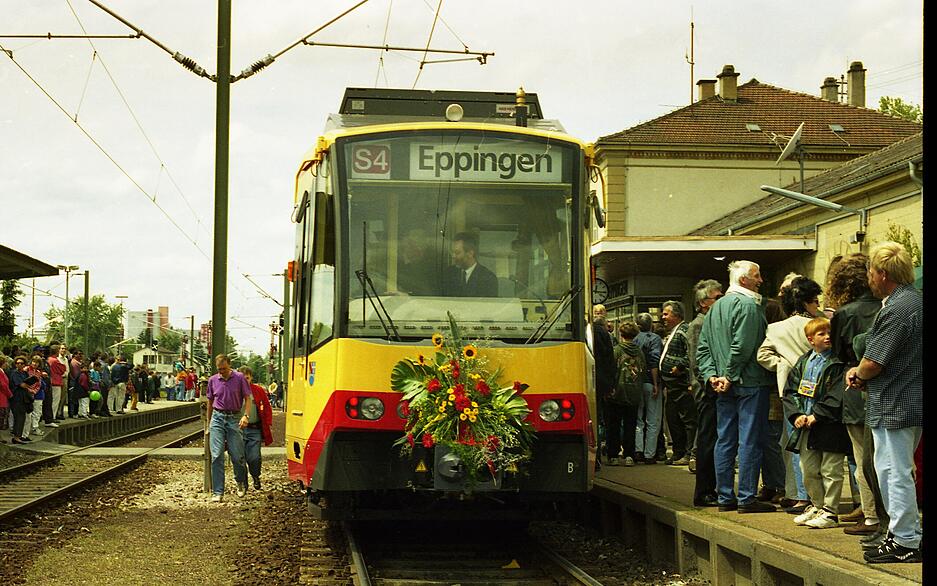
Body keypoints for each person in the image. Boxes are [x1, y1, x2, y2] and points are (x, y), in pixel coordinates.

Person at [845, 242, 922, 564]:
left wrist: (857, 373)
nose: (868, 278)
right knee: (896, 470)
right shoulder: (914, 301)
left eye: (870, 271)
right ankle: (901, 535)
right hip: (909, 398)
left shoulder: (897, 309)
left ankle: (905, 540)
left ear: (882, 273)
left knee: (893, 471)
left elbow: (874, 361)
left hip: (895, 402)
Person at [697, 260, 775, 514]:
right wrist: (730, 375)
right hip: (750, 381)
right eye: (757, 276)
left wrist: (713, 376)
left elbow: (704, 348)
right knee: (749, 440)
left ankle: (725, 496)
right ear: (744, 280)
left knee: (725, 440)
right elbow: (743, 346)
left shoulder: (715, 308)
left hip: (722, 384)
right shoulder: (749, 307)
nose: (760, 280)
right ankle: (746, 497)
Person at [827, 253, 884, 538]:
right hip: (888, 386)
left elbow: (837, 354)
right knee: (888, 459)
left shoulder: (844, 313)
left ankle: (872, 514)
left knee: (862, 456)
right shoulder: (889, 307)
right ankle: (880, 511)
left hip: (855, 383)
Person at [756, 276, 823, 514]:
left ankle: (801, 496)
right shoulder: (823, 324)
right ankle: (822, 498)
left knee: (795, 444)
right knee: (825, 447)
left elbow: (762, 356)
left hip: (791, 390)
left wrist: (783, 364)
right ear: (807, 301)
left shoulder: (776, 329)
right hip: (821, 389)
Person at [782, 316, 851, 529]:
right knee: (808, 468)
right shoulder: (804, 361)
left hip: (829, 424)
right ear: (811, 339)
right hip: (805, 424)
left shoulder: (838, 362)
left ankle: (831, 511)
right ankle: (817, 504)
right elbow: (790, 390)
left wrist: (817, 414)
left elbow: (837, 393)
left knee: (831, 469)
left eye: (829, 332)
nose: (827, 336)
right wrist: (796, 415)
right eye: (821, 333)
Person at [687, 279, 722, 506]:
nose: (722, 301)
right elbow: (697, 361)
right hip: (707, 391)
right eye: (717, 298)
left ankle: (713, 488)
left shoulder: (712, 322)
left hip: (712, 389)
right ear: (703, 303)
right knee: (707, 440)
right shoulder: (698, 325)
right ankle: (704, 490)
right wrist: (711, 384)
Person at [206, 354, 253, 502]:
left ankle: (240, 481)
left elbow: (248, 398)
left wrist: (246, 415)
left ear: (230, 366)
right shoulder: (213, 380)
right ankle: (218, 491)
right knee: (217, 455)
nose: (222, 372)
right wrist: (209, 423)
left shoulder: (239, 378)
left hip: (234, 418)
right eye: (219, 369)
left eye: (224, 369)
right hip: (218, 418)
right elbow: (210, 401)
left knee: (236, 455)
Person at [659, 301, 696, 467]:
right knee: (673, 419)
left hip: (681, 385)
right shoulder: (674, 331)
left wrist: (679, 367)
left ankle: (688, 453)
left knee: (687, 420)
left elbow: (691, 354)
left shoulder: (684, 330)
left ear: (677, 315)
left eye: (666, 314)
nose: (663, 317)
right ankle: (678, 451)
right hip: (671, 386)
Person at [608, 322, 645, 466]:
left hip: (617, 392)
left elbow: (611, 371)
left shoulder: (616, 350)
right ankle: (629, 455)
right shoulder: (639, 352)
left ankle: (613, 455)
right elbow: (643, 369)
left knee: (614, 425)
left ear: (621, 334)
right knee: (631, 425)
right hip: (634, 392)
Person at [633, 313, 663, 464]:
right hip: (650, 382)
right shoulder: (655, 339)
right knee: (653, 419)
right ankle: (649, 454)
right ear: (651, 325)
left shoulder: (634, 339)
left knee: (638, 419)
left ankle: (638, 450)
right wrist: (656, 383)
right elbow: (654, 361)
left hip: (636, 383)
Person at [238, 366, 273, 489]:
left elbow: (267, 407)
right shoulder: (234, 390)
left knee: (254, 457)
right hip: (238, 430)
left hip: (254, 429)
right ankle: (243, 482)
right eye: (242, 378)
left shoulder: (258, 390)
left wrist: (268, 422)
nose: (245, 380)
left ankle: (255, 475)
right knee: (239, 458)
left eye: (247, 378)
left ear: (251, 377)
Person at [591, 304, 617, 464]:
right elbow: (609, 360)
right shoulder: (604, 333)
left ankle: (596, 456)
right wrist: (610, 384)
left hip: (590, 379)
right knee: (601, 417)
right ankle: (599, 457)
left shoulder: (590, 331)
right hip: (601, 382)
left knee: (595, 419)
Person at [443, 232, 498, 297]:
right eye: (452, 252)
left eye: (457, 252)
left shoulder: (488, 278)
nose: (453, 256)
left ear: (470, 253)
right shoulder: (449, 273)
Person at [9, 356, 37, 443]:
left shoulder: (25, 373)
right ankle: (16, 437)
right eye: (18, 363)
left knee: (23, 417)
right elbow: (22, 385)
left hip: (24, 397)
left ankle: (20, 436)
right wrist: (28, 385)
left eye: (21, 363)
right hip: (17, 398)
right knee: (18, 417)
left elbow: (28, 384)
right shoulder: (14, 373)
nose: (20, 365)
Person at [48, 343, 67, 423]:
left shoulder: (49, 359)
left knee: (51, 400)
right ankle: (53, 416)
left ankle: (51, 416)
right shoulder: (55, 360)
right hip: (56, 381)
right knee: (56, 400)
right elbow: (63, 368)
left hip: (51, 381)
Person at [0, 355, 12, 443]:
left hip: (3, 397)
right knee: (1, 417)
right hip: (2, 397)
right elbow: (3, 385)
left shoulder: (2, 371)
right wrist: (10, 394)